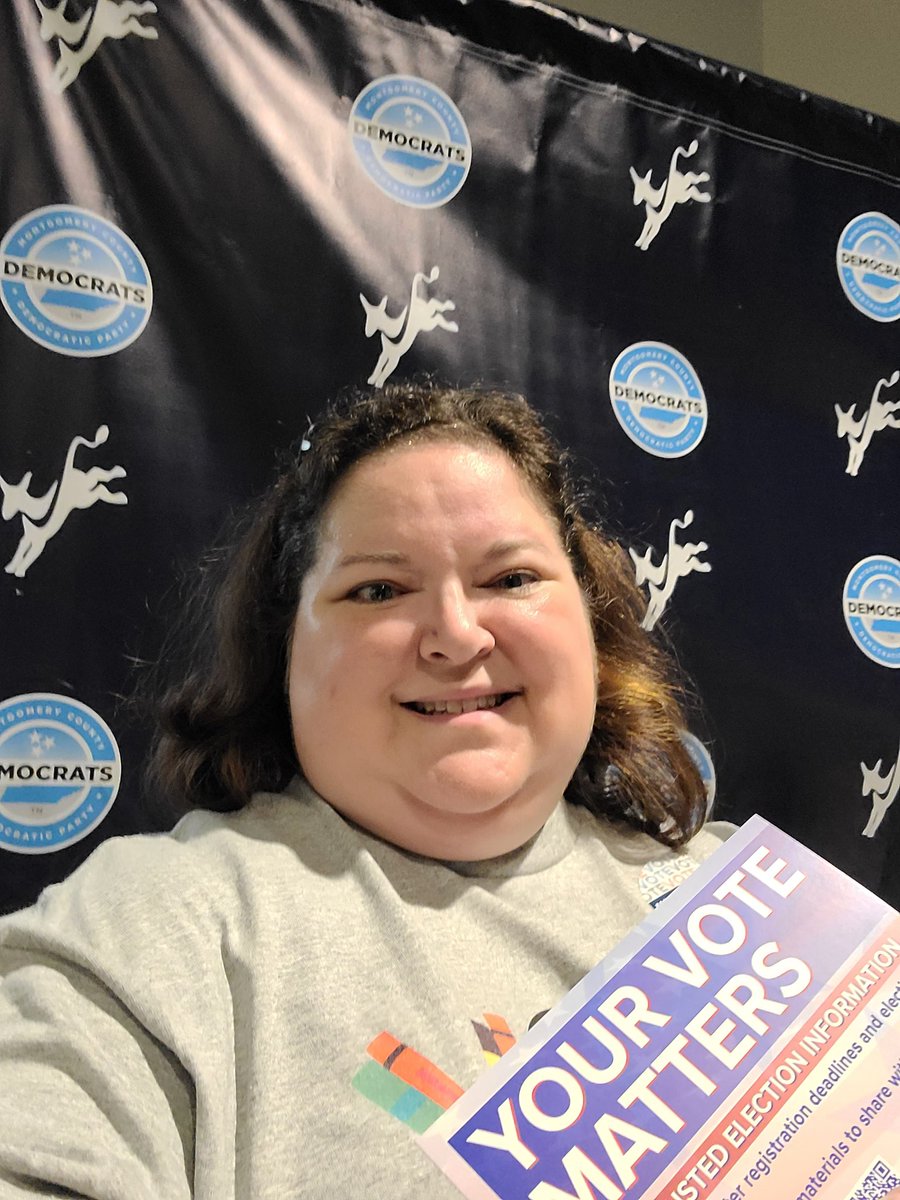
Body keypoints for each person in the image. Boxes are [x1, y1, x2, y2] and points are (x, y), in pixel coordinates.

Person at [0, 383, 730, 1198]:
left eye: (511, 577)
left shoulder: (741, 889)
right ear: (285, 654)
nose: (457, 634)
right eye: (379, 590)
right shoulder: (154, 927)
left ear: (590, 621)